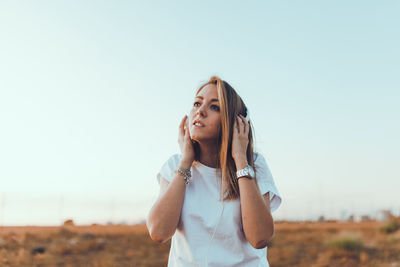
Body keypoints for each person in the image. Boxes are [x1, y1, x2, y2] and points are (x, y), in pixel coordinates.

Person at [146, 76, 282, 267]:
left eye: (214, 107)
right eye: (197, 103)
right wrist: (185, 162)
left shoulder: (255, 165)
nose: (200, 111)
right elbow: (158, 232)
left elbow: (259, 238)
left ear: (236, 123)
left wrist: (240, 160)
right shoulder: (175, 165)